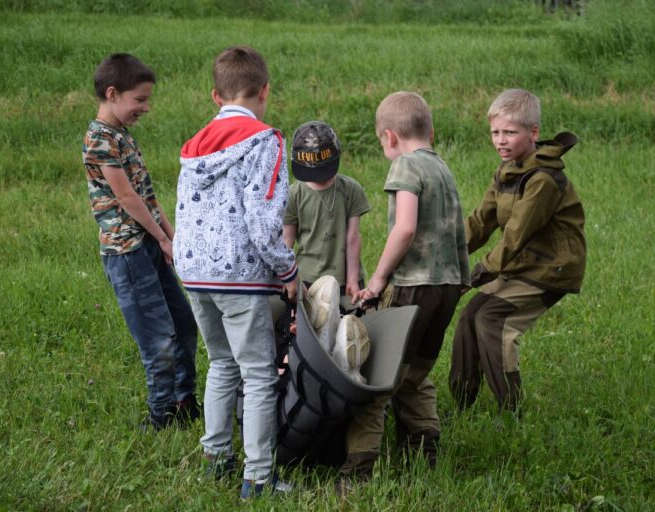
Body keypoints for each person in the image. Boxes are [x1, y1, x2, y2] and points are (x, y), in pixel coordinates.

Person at [173, 46, 298, 499]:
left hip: (195, 273)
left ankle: (216, 458)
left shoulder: (194, 145)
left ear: (214, 95)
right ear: (265, 90)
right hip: (240, 278)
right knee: (259, 375)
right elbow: (264, 223)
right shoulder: (266, 140)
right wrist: (289, 268)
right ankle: (259, 478)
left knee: (221, 364)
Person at [340, 91, 470, 491]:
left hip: (414, 286)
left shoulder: (405, 166)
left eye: (382, 144)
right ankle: (423, 451)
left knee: (377, 379)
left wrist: (378, 279)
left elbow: (405, 228)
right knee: (414, 374)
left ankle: (357, 472)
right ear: (430, 131)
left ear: (390, 137)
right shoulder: (441, 168)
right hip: (448, 287)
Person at [448, 88, 586, 413]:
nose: (501, 140)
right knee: (469, 316)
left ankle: (511, 413)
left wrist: (475, 275)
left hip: (551, 269)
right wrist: (445, 256)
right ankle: (462, 406)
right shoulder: (507, 171)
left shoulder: (543, 180)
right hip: (524, 264)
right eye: (495, 132)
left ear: (533, 132)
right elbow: (480, 222)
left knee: (492, 322)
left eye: (510, 132)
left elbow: (514, 235)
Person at [82, 53, 200, 431]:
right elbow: (127, 199)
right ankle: (160, 416)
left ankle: (185, 401)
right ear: (113, 93)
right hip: (127, 253)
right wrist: (160, 239)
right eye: (140, 99)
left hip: (148, 243)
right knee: (158, 340)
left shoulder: (121, 135)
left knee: (183, 323)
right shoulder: (99, 139)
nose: (145, 107)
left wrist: (170, 236)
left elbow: (146, 196)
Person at [283, 121, 371, 298]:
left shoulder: (351, 190)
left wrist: (353, 279)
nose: (320, 178)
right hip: (308, 281)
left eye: (325, 171)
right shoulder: (293, 195)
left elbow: (353, 237)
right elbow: (286, 242)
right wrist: (287, 278)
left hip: (345, 281)